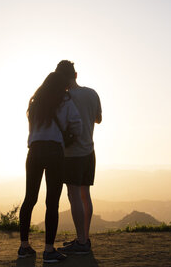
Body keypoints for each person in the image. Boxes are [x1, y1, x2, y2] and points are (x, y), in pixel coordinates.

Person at [18, 72, 82, 263]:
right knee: (52, 202)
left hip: (34, 151)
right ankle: (48, 250)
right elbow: (77, 125)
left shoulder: (35, 102)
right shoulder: (65, 100)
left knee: (29, 198)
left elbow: (32, 129)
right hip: (54, 151)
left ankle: (24, 247)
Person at [55, 60, 102, 255]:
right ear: (75, 75)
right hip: (89, 151)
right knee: (85, 195)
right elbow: (98, 119)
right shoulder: (92, 93)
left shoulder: (63, 98)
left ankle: (81, 241)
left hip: (71, 154)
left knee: (73, 195)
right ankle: (85, 238)